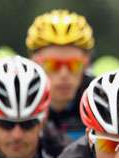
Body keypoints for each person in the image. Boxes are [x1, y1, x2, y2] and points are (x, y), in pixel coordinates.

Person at [26, 9, 95, 140]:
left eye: (74, 65)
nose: (64, 74)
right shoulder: (18, 100)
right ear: (34, 63)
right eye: (53, 65)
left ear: (87, 63)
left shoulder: (99, 100)